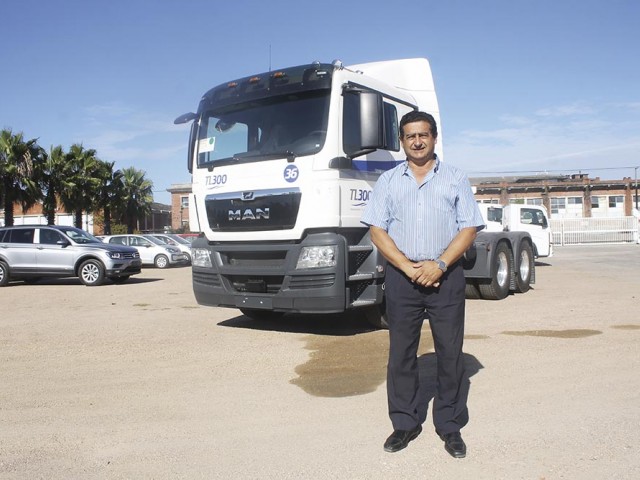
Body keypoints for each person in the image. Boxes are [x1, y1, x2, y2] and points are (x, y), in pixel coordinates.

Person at [361, 111, 485, 458]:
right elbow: (377, 229)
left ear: (433, 138)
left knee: (449, 353)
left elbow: (468, 228)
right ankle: (405, 423)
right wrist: (407, 267)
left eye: (424, 135)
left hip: (446, 277)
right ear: (402, 141)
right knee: (401, 354)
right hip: (403, 279)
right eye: (410, 136)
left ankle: (449, 424)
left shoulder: (455, 178)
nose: (417, 141)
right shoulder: (388, 181)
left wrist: (441, 264)